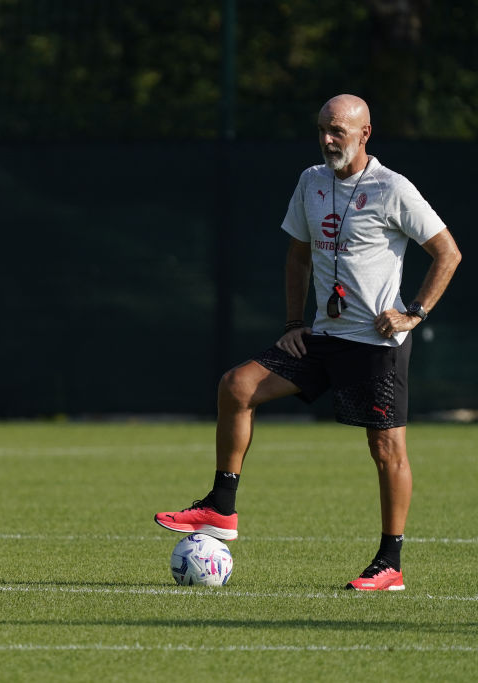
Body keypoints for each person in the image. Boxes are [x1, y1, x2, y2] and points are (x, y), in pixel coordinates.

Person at [153, 94, 461, 591]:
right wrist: (294, 321)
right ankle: (221, 508)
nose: (327, 139)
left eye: (338, 130)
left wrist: (414, 313)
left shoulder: (392, 187)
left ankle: (390, 563)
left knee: (387, 451)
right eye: (322, 129)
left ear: (365, 134)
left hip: (375, 345)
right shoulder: (310, 182)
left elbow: (448, 253)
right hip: (320, 337)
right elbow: (297, 257)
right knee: (237, 386)